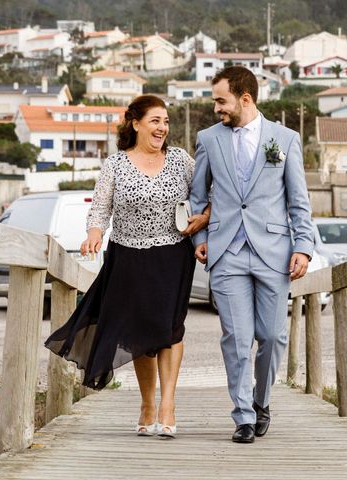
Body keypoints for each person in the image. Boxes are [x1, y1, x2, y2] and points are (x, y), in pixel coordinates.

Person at [45, 94, 209, 439]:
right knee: (140, 334)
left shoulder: (181, 160)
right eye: (155, 121)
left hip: (172, 255)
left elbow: (210, 193)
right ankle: (148, 403)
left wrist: (204, 218)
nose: (162, 128)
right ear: (135, 123)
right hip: (128, 257)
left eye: (165, 122)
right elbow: (100, 208)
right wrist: (93, 233)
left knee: (170, 329)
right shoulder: (116, 164)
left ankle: (168, 405)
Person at [189, 66, 314, 443]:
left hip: (273, 253)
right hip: (226, 253)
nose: (216, 109)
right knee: (237, 338)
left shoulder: (285, 139)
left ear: (245, 98)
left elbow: (299, 202)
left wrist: (303, 247)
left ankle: (261, 400)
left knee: (273, 337)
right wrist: (200, 240)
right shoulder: (208, 139)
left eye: (221, 100)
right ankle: (243, 415)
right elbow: (197, 195)